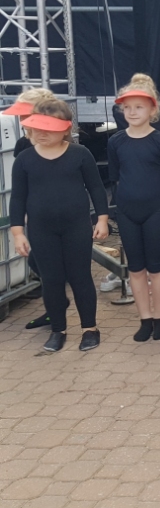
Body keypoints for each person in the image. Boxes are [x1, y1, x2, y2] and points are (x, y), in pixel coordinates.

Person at [11, 99, 109, 352]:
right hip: (41, 230)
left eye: (49, 128)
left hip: (76, 226)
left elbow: (96, 188)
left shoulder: (80, 154)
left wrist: (102, 219)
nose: (42, 133)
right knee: (51, 280)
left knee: (80, 277)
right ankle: (58, 329)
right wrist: (18, 232)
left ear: (65, 128)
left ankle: (90, 329)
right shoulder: (24, 159)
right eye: (37, 127)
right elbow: (18, 198)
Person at [108, 74, 160, 342]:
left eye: (138, 107)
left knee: (156, 267)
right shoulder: (116, 142)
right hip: (127, 212)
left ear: (152, 110)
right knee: (135, 268)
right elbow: (116, 178)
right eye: (127, 108)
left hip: (155, 211)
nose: (132, 112)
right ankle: (145, 319)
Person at [3, 87, 59, 331]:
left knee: (51, 264)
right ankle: (54, 308)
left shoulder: (59, 142)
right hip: (35, 213)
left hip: (60, 213)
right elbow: (21, 184)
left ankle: (58, 311)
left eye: (26, 114)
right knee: (37, 262)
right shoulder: (22, 145)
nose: (22, 119)